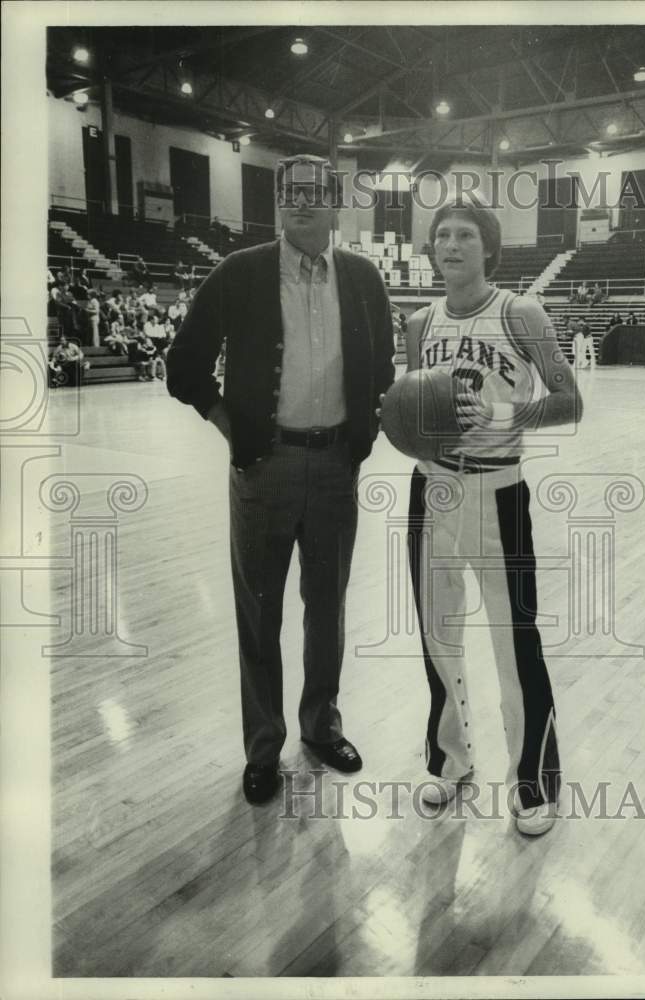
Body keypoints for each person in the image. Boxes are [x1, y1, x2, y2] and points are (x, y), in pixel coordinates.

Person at [167, 154, 395, 806]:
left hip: (333, 471)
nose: (301, 202)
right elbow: (183, 363)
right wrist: (225, 422)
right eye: (289, 193)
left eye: (313, 193)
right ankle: (262, 748)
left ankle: (320, 728)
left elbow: (380, 369)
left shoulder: (362, 278)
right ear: (278, 204)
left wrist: (365, 434)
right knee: (259, 616)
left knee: (326, 610)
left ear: (333, 204)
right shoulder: (238, 273)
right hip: (261, 469)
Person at [404, 198, 582, 837]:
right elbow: (416, 409)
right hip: (431, 491)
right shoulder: (420, 323)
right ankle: (448, 761)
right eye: (441, 235)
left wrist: (505, 416)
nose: (451, 244)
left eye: (464, 235)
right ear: (431, 249)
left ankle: (533, 777)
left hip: (499, 495)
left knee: (516, 644)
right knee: (435, 635)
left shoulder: (520, 313)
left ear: (488, 248)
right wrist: (400, 419)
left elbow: (570, 402)